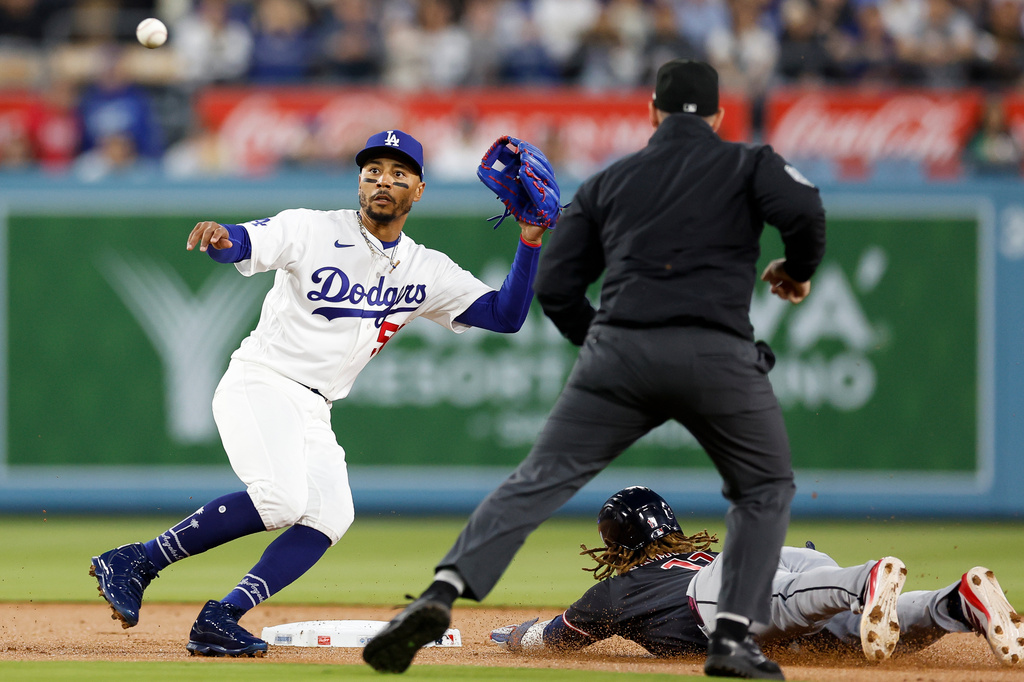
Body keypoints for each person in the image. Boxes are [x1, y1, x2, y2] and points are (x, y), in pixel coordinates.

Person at [363, 59, 826, 680]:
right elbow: (806, 212)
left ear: (653, 114)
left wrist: (601, 346)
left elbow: (556, 286)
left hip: (620, 354)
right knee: (764, 490)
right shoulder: (751, 163)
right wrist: (796, 270)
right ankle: (733, 639)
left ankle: (442, 591)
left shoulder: (613, 180)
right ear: (718, 116)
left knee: (537, 480)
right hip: (718, 354)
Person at [89, 129, 552, 657]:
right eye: (372, 170)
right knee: (281, 499)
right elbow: (243, 242)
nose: (383, 180)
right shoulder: (310, 228)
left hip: (315, 405)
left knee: (330, 514)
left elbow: (506, 315)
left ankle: (220, 617)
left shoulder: (426, 268)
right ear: (359, 180)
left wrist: (530, 238)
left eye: (399, 173)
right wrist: (224, 238)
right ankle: (137, 561)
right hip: (262, 380)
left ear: (418, 191)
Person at [487, 486, 1024, 669]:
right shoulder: (695, 557)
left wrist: (512, 635)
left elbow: (549, 639)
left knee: (773, 612)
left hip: (729, 595)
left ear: (616, 544)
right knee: (857, 636)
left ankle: (865, 580)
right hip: (775, 565)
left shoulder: (618, 590)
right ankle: (958, 602)